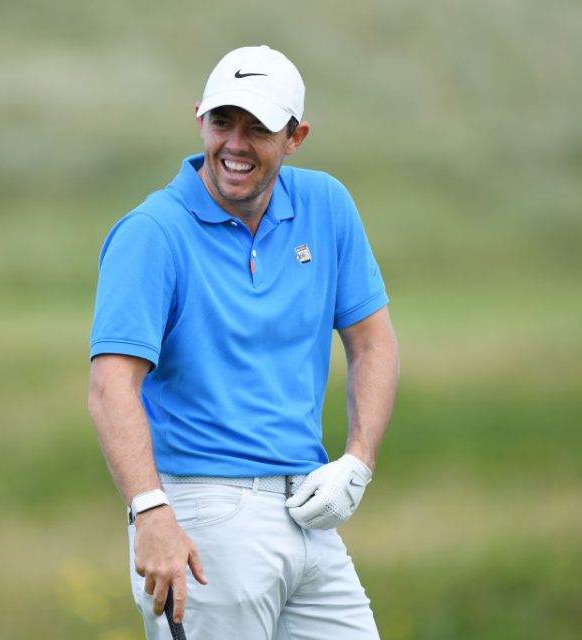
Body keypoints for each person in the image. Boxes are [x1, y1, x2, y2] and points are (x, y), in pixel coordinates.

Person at [88, 45, 399, 639]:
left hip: (310, 512)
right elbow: (110, 388)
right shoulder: (152, 234)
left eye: (258, 128)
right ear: (200, 117)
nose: (235, 144)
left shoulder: (326, 205)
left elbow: (373, 342)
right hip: (204, 520)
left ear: (296, 136)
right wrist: (149, 512)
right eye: (223, 122)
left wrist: (357, 462)